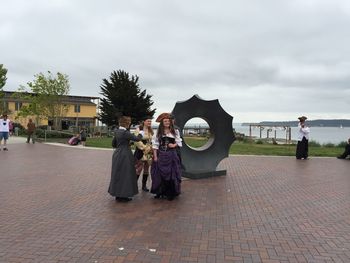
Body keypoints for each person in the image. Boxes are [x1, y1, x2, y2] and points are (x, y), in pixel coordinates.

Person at [108, 116, 142, 202]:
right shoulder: (125, 132)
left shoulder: (116, 131)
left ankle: (117, 194)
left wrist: (125, 143)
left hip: (117, 154)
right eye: (129, 123)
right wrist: (140, 132)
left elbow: (114, 144)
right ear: (127, 123)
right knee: (126, 174)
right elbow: (137, 138)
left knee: (118, 174)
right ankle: (123, 195)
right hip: (125, 155)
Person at [151, 113, 182, 201]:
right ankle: (160, 192)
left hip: (171, 155)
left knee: (172, 175)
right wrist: (155, 157)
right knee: (159, 174)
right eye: (165, 121)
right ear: (162, 123)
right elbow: (155, 145)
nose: (167, 122)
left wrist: (174, 145)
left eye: (168, 121)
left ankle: (170, 193)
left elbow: (179, 142)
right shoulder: (158, 132)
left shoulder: (175, 131)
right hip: (161, 155)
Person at [134, 117, 154, 192]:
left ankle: (144, 186)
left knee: (146, 168)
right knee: (139, 168)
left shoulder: (150, 130)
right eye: (148, 121)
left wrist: (151, 147)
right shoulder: (139, 129)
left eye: (150, 121)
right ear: (144, 122)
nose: (149, 122)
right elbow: (136, 140)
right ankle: (134, 186)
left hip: (149, 152)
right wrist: (144, 147)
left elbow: (152, 140)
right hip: (141, 151)